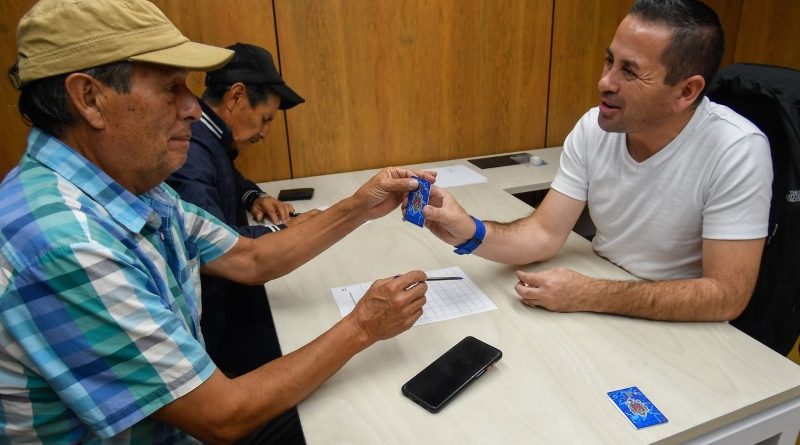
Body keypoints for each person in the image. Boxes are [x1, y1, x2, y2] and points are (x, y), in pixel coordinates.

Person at [0, 0, 432, 443]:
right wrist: (363, 325)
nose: (193, 108)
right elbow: (221, 417)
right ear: (90, 99)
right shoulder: (68, 243)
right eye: (171, 88)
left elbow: (251, 258)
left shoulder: (133, 186)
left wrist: (360, 205)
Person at [420, 0, 772, 322]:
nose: (605, 82)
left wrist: (589, 293)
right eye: (609, 61)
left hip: (681, 325)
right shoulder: (594, 127)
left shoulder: (737, 149)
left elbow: (726, 296)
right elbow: (544, 233)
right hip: (607, 297)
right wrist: (470, 230)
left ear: (686, 91)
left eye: (629, 72)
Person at [166, 43, 314, 376]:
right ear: (235, 96)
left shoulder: (210, 137)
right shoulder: (191, 147)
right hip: (218, 326)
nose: (265, 133)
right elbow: (218, 243)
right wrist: (290, 229)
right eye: (265, 120)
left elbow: (226, 175)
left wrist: (253, 196)